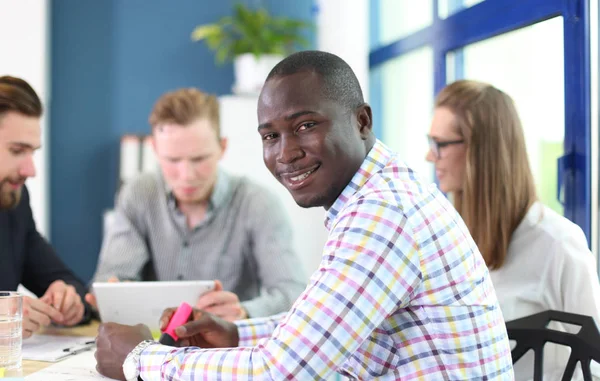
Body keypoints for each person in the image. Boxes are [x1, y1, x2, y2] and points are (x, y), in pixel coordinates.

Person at [94, 51, 514, 380]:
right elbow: (316, 332)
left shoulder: (383, 213)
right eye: (270, 136)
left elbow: (283, 371)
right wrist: (236, 332)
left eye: (306, 125)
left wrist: (141, 360)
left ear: (362, 121)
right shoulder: (375, 196)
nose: (285, 153)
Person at [425, 79, 600, 380]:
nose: (430, 156)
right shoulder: (451, 239)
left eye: (440, 144)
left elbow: (595, 366)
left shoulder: (559, 245)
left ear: (482, 151)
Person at [89, 88, 305, 321]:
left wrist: (244, 313)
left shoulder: (257, 203)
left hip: (227, 349)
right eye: (172, 160)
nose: (187, 175)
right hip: (153, 345)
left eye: (199, 159)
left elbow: (292, 293)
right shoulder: (139, 194)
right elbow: (111, 278)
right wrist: (112, 292)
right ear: (154, 150)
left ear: (222, 148)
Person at [0, 76, 90, 338]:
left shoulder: (13, 201)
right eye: (17, 151)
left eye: (33, 152)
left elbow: (66, 281)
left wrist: (70, 301)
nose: (31, 170)